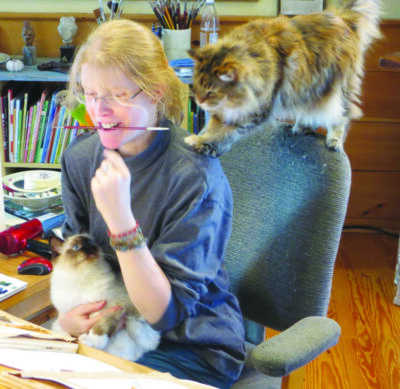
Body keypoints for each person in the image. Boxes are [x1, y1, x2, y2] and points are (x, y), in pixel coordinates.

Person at [59, 19, 246, 388]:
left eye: (119, 95)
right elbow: (76, 266)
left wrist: (121, 221)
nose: (101, 111)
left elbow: (164, 314)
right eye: (91, 94)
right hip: (113, 328)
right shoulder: (80, 158)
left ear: (156, 92)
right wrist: (68, 319)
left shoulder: (195, 175)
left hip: (190, 346)